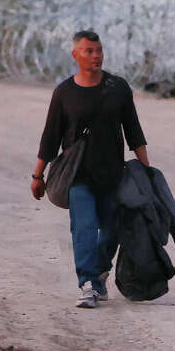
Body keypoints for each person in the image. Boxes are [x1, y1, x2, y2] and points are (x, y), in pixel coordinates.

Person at [31, 30, 150, 309]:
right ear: (75, 55)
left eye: (99, 50)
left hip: (112, 174)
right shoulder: (64, 93)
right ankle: (87, 283)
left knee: (112, 230)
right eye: (89, 51)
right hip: (78, 175)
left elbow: (134, 132)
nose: (96, 55)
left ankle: (98, 273)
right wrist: (38, 175)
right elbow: (50, 137)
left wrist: (147, 172)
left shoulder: (117, 88)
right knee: (83, 227)